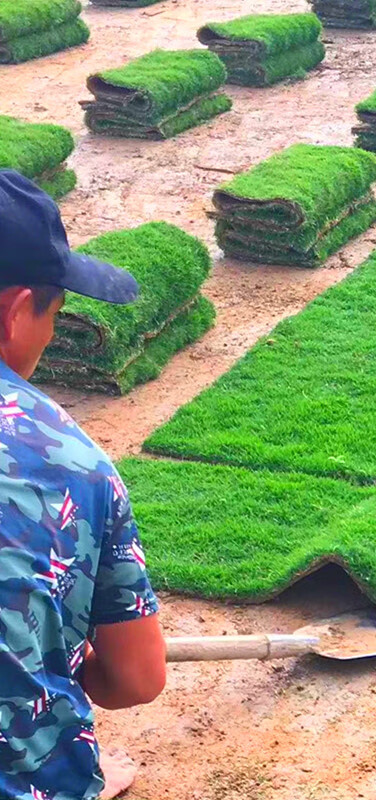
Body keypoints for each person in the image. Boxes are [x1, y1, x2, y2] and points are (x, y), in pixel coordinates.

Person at [0, 171, 167, 800]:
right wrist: (61, 656)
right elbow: (136, 678)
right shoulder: (72, 464)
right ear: (16, 312)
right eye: (54, 312)